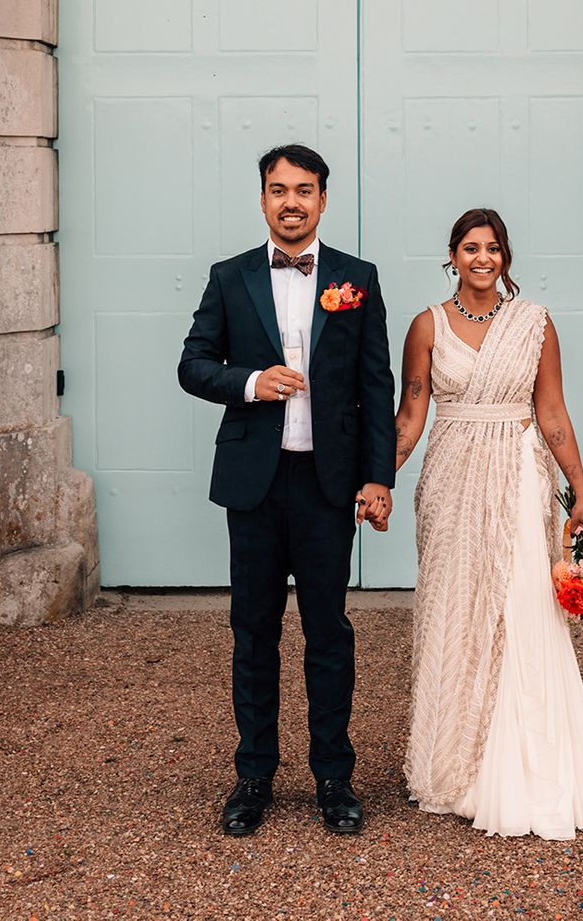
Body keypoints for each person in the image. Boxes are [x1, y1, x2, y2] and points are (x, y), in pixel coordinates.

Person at [178, 144, 395, 837]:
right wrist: (249, 382)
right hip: (256, 485)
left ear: (324, 200)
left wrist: (376, 476)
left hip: (329, 487)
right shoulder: (230, 276)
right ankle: (254, 776)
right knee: (254, 633)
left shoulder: (357, 279)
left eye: (305, 189)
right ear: (263, 198)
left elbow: (374, 386)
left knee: (329, 633)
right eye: (279, 189)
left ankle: (334, 776)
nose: (292, 201)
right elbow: (192, 364)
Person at [385, 207, 583, 838]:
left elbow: (554, 414)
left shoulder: (535, 324)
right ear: (452, 256)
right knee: (453, 607)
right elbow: (409, 415)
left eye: (492, 249)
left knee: (521, 607)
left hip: (519, 476)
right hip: (452, 478)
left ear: (505, 257)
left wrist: (582, 496)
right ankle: (456, 765)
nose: (481, 259)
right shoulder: (425, 326)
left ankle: (527, 768)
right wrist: (380, 478)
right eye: (469, 248)